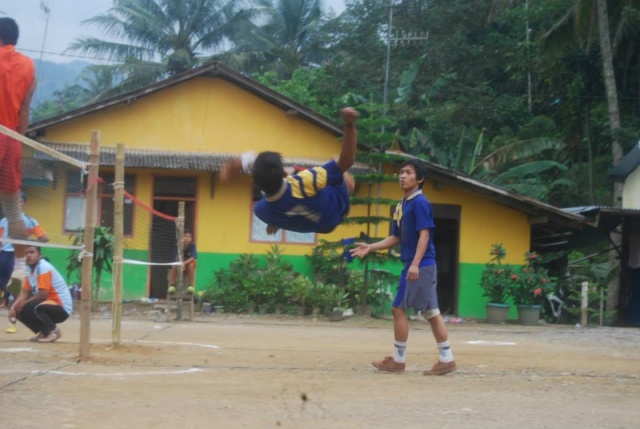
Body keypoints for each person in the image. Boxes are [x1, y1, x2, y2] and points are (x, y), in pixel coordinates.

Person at [350, 159, 456, 376]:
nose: (402, 176)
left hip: (421, 264)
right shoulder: (401, 205)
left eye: (408, 172)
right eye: (401, 172)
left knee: (398, 308)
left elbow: (424, 235)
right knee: (431, 312)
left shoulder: (420, 203)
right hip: (416, 264)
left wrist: (415, 264)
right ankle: (447, 358)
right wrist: (370, 246)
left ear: (420, 179)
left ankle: (398, 361)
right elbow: (395, 237)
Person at [220, 107, 359, 235]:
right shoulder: (305, 181)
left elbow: (266, 174)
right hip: (339, 206)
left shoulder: (262, 211)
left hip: (324, 227)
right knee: (337, 164)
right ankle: (348, 186)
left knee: (289, 174)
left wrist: (275, 221)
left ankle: (248, 164)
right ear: (283, 174)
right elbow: (346, 162)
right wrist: (349, 125)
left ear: (255, 183)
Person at [0, 17, 37, 307]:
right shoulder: (28, 67)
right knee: (13, 210)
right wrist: (20, 141)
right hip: (12, 137)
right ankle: (20, 267)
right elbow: (25, 110)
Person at [1, 191, 49, 333]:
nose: (16, 204)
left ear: (24, 203)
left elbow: (44, 238)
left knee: (16, 290)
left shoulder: (29, 220)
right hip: (3, 256)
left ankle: (12, 323)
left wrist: (29, 244)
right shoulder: (4, 221)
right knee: (3, 289)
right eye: (14, 201)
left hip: (17, 259)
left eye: (19, 201)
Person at [8, 245, 72, 343]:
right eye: (26, 253)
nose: (28, 255)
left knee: (29, 306)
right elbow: (26, 291)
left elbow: (43, 294)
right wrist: (13, 307)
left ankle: (53, 331)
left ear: (39, 255)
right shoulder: (29, 269)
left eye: (32, 252)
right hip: (46, 304)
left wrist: (24, 304)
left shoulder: (43, 266)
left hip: (61, 307)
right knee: (17, 308)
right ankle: (45, 331)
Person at [168, 230, 197, 295]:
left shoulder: (192, 245)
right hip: (179, 265)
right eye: (185, 236)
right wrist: (180, 263)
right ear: (182, 237)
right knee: (174, 265)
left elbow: (193, 257)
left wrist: (184, 263)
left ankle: (191, 286)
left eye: (189, 236)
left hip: (187, 266)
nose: (187, 238)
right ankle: (172, 286)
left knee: (191, 265)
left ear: (191, 238)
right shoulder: (178, 245)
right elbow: (175, 257)